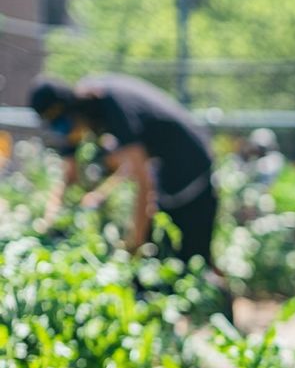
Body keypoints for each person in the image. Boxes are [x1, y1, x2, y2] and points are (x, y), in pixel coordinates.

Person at [29, 74, 218, 265]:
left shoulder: (113, 107)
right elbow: (67, 174)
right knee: (165, 255)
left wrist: (133, 245)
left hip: (189, 162)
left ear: (72, 109)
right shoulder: (80, 114)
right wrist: (49, 219)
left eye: (64, 124)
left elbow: (143, 182)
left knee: (189, 259)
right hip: (163, 168)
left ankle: (219, 288)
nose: (65, 132)